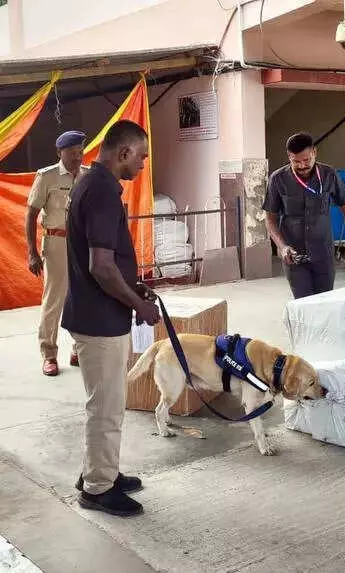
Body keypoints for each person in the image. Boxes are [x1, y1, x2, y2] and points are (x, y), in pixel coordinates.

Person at [62, 120, 160, 517]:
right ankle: (98, 490)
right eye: (141, 158)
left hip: (97, 314)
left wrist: (134, 287)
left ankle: (100, 472)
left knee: (107, 405)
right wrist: (140, 306)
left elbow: (108, 262)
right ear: (123, 153)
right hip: (99, 321)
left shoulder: (92, 183)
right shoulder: (101, 190)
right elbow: (101, 267)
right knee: (105, 408)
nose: (141, 166)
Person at [264, 132, 345, 299]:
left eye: (306, 160)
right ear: (289, 156)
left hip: (323, 254)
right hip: (294, 256)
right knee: (304, 304)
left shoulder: (328, 174)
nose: (302, 166)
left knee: (325, 303)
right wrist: (282, 246)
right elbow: (270, 220)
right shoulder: (278, 179)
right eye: (296, 161)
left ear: (315, 152)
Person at [26, 131, 90, 376]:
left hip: (81, 245)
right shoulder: (47, 177)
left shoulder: (86, 176)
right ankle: (49, 354)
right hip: (56, 243)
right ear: (59, 153)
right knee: (54, 300)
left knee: (83, 297)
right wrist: (32, 252)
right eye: (72, 152)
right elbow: (30, 214)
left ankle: (78, 348)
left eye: (80, 151)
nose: (77, 157)